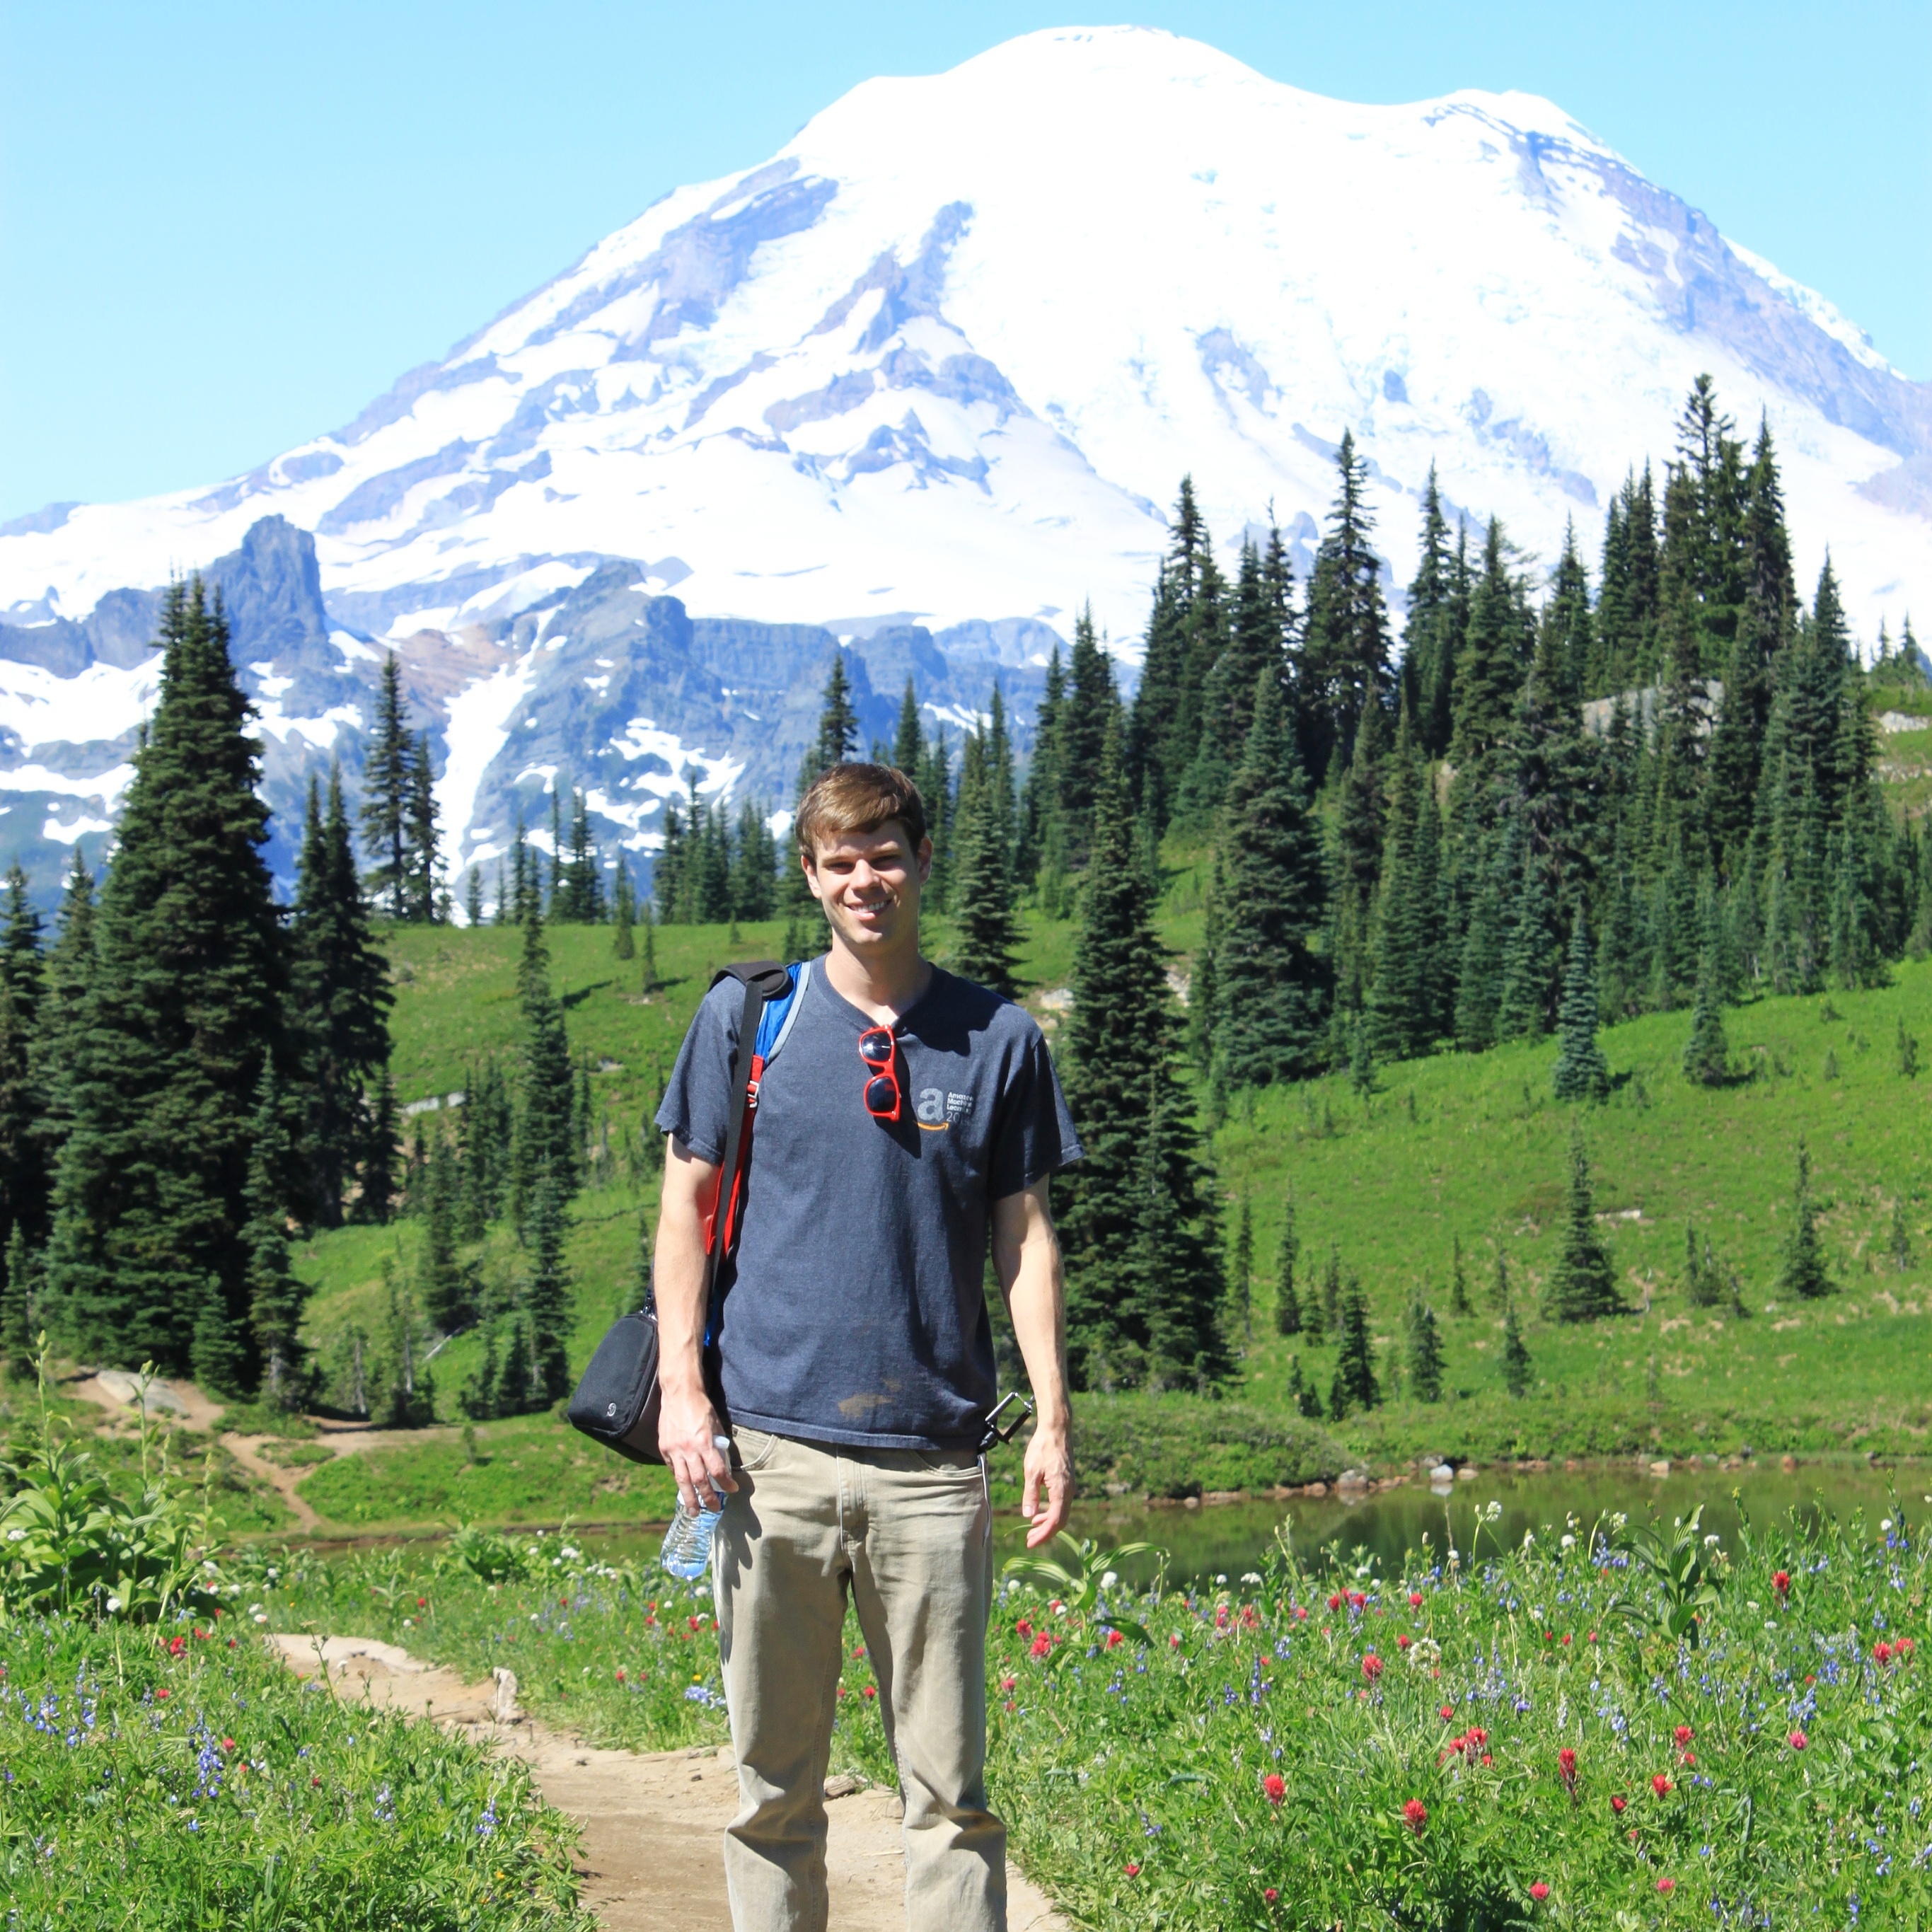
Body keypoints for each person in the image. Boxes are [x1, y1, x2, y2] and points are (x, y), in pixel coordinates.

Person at [653, 760, 1080, 1932]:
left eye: (885, 855)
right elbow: (685, 1209)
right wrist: (684, 1398)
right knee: (772, 1793)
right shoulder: (750, 1022)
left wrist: (1051, 1414)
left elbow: (1025, 1233)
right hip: (768, 1458)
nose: (865, 881)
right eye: (839, 861)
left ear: (922, 861)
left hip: (936, 1466)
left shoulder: (997, 1039)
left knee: (950, 1798)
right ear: (810, 874)